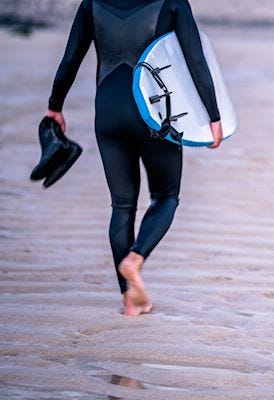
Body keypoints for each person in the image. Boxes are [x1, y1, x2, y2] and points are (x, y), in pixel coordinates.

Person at [45, 0, 223, 316]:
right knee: (166, 196)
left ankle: (129, 299)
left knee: (122, 205)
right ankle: (135, 259)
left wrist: (54, 107)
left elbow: (70, 60)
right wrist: (214, 116)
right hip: (154, 114)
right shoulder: (173, 2)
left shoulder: (91, 4)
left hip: (108, 112)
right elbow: (196, 60)